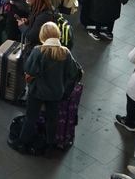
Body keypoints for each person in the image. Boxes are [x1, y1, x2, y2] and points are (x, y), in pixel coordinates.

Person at [9, 22, 81, 155]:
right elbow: (73, 73)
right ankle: (50, 146)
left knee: (31, 117)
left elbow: (28, 69)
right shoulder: (65, 52)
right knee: (52, 119)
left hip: (37, 92)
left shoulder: (38, 51)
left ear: (43, 35)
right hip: (56, 93)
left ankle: (23, 143)